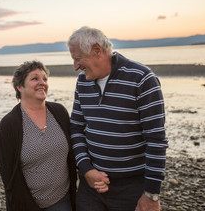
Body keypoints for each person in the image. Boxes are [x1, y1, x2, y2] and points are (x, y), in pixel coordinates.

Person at [67, 26, 168, 211]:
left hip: (132, 189)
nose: (75, 67)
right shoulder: (82, 82)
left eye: (78, 58)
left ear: (97, 50)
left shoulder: (142, 79)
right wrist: (86, 169)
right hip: (91, 189)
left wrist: (151, 195)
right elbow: (76, 128)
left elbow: (156, 141)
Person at [0, 60, 77, 211]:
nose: (42, 83)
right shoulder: (9, 124)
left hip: (62, 201)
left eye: (45, 79)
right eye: (35, 78)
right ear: (19, 86)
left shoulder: (59, 112)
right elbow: (9, 176)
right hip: (26, 205)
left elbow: (73, 154)